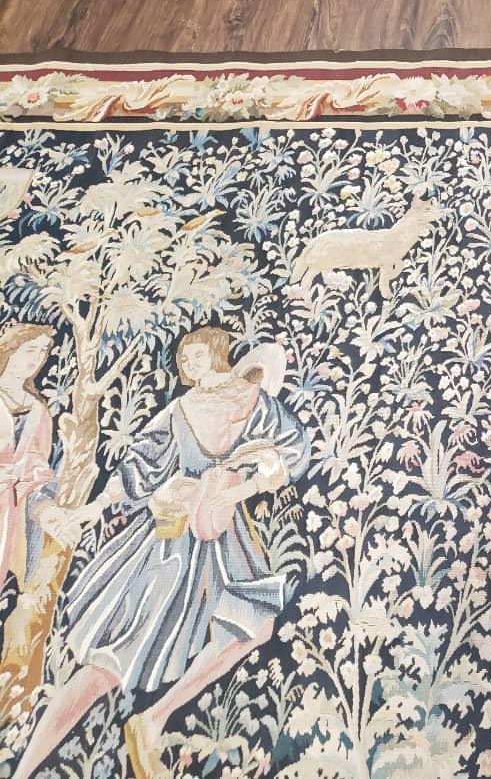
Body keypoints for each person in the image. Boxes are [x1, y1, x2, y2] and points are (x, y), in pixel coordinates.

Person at [13, 327, 311, 779]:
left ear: (219, 353)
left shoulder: (257, 403)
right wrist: (93, 508)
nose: (185, 365)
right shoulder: (181, 410)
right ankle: (24, 768)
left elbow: (292, 453)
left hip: (225, 539)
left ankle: (154, 718)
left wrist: (240, 489)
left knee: (252, 626)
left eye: (194, 354)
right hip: (169, 542)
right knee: (110, 662)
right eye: (182, 359)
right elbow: (136, 468)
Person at [0, 323, 55, 595]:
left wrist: (28, 475)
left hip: (13, 510)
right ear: (10, 350)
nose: (37, 358)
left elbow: (40, 465)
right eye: (30, 350)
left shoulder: (38, 411)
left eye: (43, 351)